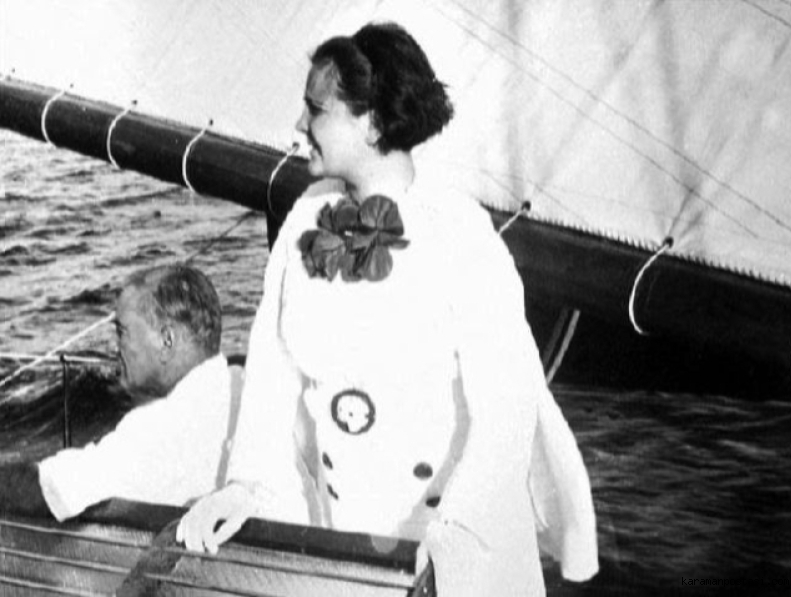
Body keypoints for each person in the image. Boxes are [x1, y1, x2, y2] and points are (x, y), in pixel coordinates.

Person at [177, 21, 598, 595]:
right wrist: (245, 487)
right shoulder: (304, 221)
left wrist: (456, 542)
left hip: (447, 548)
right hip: (347, 544)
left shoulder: (460, 234)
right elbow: (272, 375)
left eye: (315, 109)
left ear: (372, 122)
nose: (299, 124)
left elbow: (507, 410)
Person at [0, 264, 235, 522]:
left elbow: (50, 491)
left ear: (167, 340)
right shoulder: (241, 387)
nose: (115, 347)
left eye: (122, 332)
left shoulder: (159, 429)